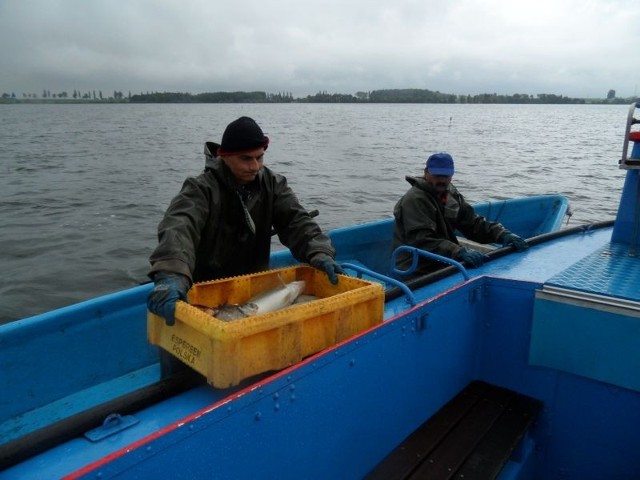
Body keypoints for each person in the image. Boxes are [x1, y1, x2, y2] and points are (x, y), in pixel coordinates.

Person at [147, 116, 344, 327]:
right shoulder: (200, 189)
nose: (255, 166)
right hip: (204, 292)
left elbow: (296, 220)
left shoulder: (273, 184)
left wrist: (320, 251)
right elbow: (179, 226)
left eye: (260, 157)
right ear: (225, 156)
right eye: (246, 159)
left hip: (253, 291)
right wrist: (172, 272)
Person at [392, 152, 528, 276]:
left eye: (445, 175)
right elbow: (422, 240)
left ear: (452, 175)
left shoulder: (450, 194)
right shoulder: (415, 199)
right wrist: (457, 251)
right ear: (426, 173)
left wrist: (501, 234)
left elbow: (473, 224)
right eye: (437, 175)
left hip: (443, 262)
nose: (441, 180)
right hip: (416, 269)